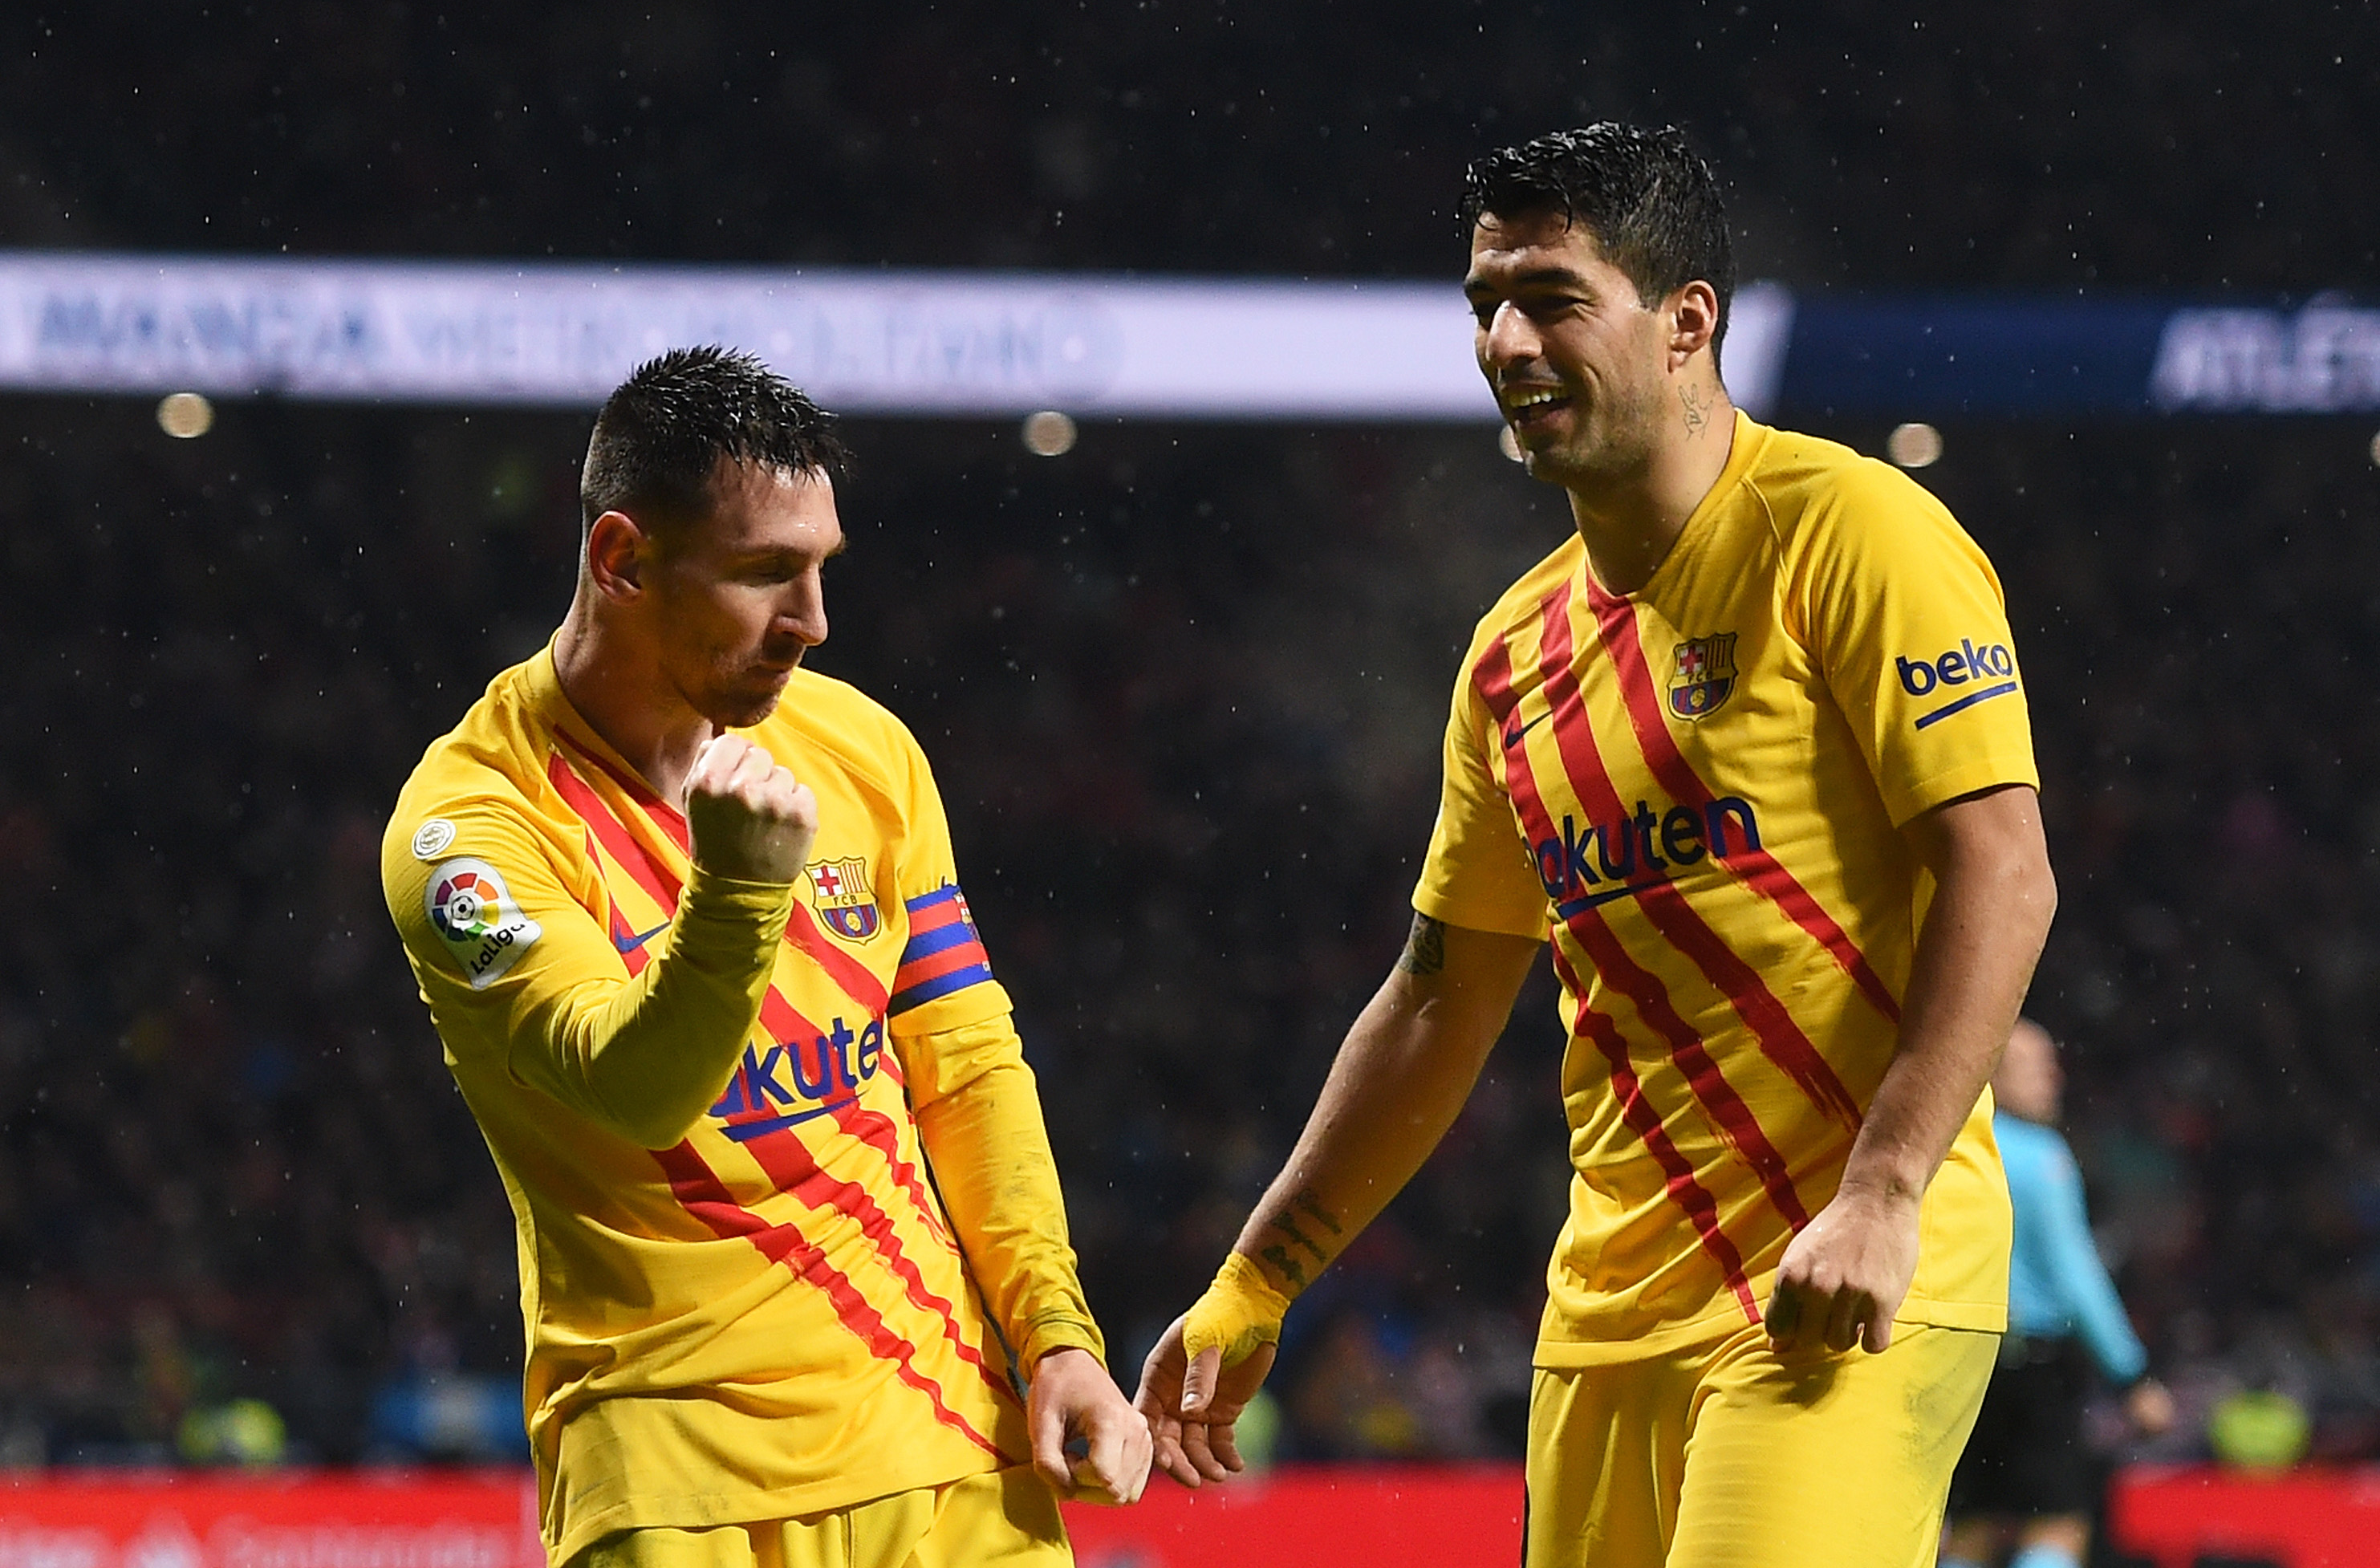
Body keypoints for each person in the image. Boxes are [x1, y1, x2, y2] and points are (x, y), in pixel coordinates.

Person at [1133, 123, 2057, 1568]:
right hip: (1607, 1313)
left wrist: (1882, 1194)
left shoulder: (1854, 533)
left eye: (1553, 299)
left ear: (1687, 319)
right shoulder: (1511, 654)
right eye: (1485, 305)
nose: (1506, 343)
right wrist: (1260, 1279)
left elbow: (2001, 865)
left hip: (1845, 1272)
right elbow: (1438, 997)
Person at [380, 347, 1149, 1568]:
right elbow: (635, 1091)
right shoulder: (469, 833)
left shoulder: (863, 749)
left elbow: (963, 1066)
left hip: (944, 1430)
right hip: (673, 1474)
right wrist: (737, 888)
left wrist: (1055, 1336)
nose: (813, 621)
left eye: (821, 568)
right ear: (621, 560)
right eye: (762, 574)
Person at [1942, 1020, 2175, 1568]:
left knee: (1973, 1527)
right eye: (2037, 1067)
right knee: (2058, 1524)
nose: (2055, 1078)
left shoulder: (1956, 1148)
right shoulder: (2042, 1157)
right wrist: (2131, 1375)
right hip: (2034, 1368)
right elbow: (2076, 1276)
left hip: (1964, 1360)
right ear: (1993, 1075)